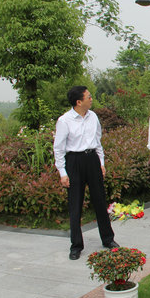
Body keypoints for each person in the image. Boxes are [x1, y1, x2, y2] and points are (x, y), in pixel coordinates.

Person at [53, 86, 119, 260]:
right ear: (78, 102)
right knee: (75, 204)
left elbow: (98, 141)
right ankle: (76, 245)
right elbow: (58, 149)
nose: (91, 99)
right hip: (74, 161)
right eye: (88, 97)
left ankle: (108, 239)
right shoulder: (64, 121)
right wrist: (62, 172)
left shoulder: (93, 116)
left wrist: (101, 163)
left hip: (92, 160)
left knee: (100, 200)